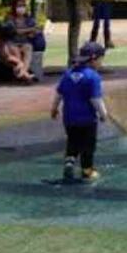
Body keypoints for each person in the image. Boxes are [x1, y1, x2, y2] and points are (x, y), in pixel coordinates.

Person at [51, 42, 108, 181]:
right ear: (94, 59)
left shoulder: (68, 73)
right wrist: (103, 114)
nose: (101, 63)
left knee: (73, 141)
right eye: (101, 59)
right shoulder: (92, 77)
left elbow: (59, 94)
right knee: (88, 145)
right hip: (87, 119)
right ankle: (87, 170)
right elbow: (95, 99)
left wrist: (54, 109)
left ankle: (70, 160)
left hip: (69, 118)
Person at [7, 0, 38, 81]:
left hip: (24, 42)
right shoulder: (10, 19)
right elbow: (16, 31)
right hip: (12, 43)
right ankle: (26, 75)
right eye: (19, 6)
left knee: (28, 48)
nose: (21, 8)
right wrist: (30, 29)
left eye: (23, 6)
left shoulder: (29, 19)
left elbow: (34, 31)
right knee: (17, 54)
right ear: (14, 7)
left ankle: (23, 74)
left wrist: (32, 32)